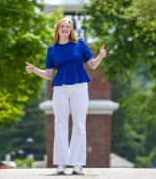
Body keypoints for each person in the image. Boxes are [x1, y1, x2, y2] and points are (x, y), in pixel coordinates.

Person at [25, 17, 106, 175]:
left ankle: (77, 163)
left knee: (79, 125)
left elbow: (92, 65)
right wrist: (35, 70)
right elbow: (49, 74)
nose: (65, 29)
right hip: (60, 89)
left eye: (67, 27)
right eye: (62, 26)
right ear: (58, 29)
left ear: (71, 29)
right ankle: (61, 163)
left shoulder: (80, 44)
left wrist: (101, 56)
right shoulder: (52, 49)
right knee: (60, 125)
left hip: (79, 87)